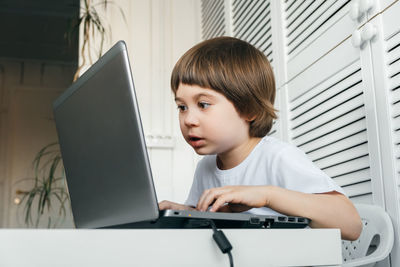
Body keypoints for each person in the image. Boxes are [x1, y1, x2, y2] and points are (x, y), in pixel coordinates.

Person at [159, 36, 362, 241]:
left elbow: (352, 226)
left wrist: (267, 196)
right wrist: (184, 212)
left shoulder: (278, 157)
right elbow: (210, 221)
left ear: (249, 109)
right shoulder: (206, 167)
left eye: (203, 104)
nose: (189, 120)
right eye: (182, 107)